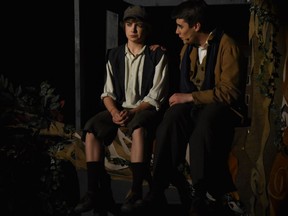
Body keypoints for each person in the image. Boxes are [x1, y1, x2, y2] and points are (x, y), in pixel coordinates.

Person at [140, 0, 248, 215]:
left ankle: (200, 193)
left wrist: (189, 97)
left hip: (222, 105)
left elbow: (229, 92)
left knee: (205, 123)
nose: (177, 31)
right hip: (196, 104)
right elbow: (186, 76)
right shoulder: (187, 48)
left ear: (196, 26)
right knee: (171, 116)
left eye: (181, 26)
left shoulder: (228, 45)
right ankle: (158, 186)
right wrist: (158, 51)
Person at [73, 5, 169, 215]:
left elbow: (156, 95)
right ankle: (91, 192)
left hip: (144, 108)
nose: (133, 29)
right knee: (91, 129)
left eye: (138, 25)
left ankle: (135, 191)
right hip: (120, 107)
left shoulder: (157, 55)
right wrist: (115, 112)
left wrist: (133, 112)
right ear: (123, 27)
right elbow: (107, 93)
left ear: (146, 28)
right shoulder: (114, 55)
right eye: (128, 24)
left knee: (138, 129)